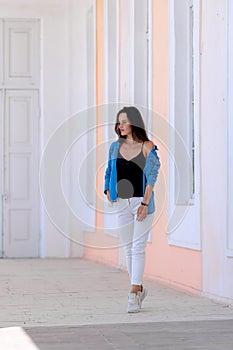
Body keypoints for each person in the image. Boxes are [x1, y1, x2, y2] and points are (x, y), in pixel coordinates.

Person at [104, 106, 160, 313]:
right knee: (127, 249)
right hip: (121, 202)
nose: (121, 126)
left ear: (134, 122)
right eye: (119, 122)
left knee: (138, 248)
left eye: (125, 121)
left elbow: (153, 176)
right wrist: (107, 190)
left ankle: (133, 292)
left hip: (140, 203)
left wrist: (145, 203)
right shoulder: (114, 147)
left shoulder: (147, 146)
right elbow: (109, 170)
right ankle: (138, 288)